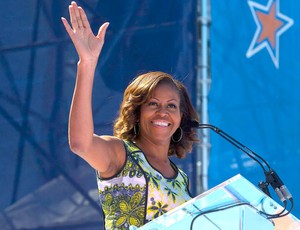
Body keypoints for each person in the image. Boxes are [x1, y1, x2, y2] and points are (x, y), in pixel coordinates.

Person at [62, 1, 199, 229]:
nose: (163, 112)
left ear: (182, 117)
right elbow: (80, 144)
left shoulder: (181, 178)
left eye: (172, 106)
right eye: (153, 104)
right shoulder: (120, 154)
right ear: (136, 113)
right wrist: (86, 63)